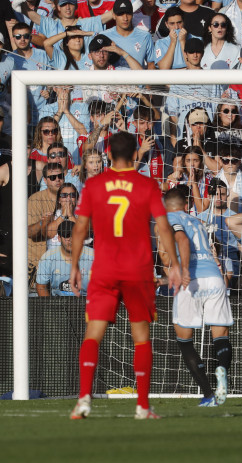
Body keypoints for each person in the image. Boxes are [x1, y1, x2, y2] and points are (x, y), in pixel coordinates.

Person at [68, 131, 182, 420]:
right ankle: (142, 406)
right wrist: (175, 266)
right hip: (138, 269)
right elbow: (164, 227)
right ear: (135, 154)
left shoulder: (94, 185)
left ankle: (83, 399)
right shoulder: (147, 184)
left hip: (104, 269)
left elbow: (80, 228)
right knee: (141, 337)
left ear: (107, 154)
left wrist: (75, 264)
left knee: (93, 333)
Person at [163, 188, 233, 407]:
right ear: (186, 204)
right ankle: (221, 367)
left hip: (191, 279)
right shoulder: (198, 222)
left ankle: (207, 393)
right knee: (220, 336)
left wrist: (184, 269)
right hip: (214, 277)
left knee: (185, 342)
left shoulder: (169, 218)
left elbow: (181, 240)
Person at [36, 220, 94, 296]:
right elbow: (41, 286)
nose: (70, 239)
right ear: (59, 238)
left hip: (86, 301)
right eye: (66, 235)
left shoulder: (93, 256)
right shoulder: (48, 258)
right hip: (58, 303)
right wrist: (50, 307)